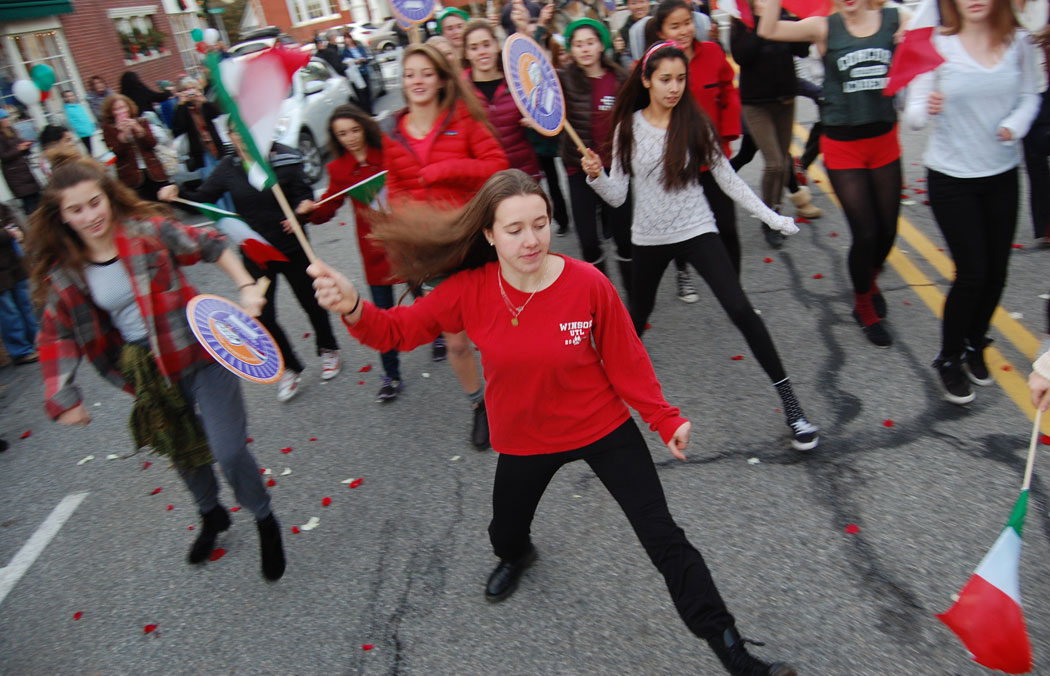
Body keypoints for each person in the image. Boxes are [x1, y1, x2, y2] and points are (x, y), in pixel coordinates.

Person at [309, 169, 798, 676]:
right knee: (504, 532)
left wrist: (663, 417)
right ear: (489, 234)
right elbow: (395, 332)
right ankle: (518, 555)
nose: (531, 240)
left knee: (666, 539)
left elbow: (626, 360)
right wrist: (350, 305)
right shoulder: (467, 291)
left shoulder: (588, 284)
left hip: (602, 428)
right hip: (524, 439)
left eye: (540, 224)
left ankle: (734, 652)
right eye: (515, 229)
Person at [28, 152, 285, 581]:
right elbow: (55, 334)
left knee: (228, 449)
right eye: (76, 209)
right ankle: (211, 514)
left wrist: (244, 286)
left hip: (201, 351)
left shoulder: (147, 233)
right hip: (148, 370)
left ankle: (264, 518)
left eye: (95, 202)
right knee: (182, 450)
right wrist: (63, 397)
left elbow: (212, 245)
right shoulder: (65, 274)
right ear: (62, 217)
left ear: (108, 197)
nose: (89, 215)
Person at [584, 42, 818, 450]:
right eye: (665, 80)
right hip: (650, 236)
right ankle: (599, 399)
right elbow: (618, 195)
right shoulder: (628, 127)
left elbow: (728, 179)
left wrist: (772, 217)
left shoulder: (696, 122)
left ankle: (793, 407)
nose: (674, 87)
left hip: (696, 228)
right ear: (646, 80)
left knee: (741, 308)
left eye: (680, 79)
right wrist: (595, 175)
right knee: (636, 319)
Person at [903, 0, 1040, 405]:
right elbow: (911, 113)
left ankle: (975, 342)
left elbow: (1031, 96)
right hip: (951, 177)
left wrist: (1013, 125)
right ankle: (948, 358)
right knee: (973, 272)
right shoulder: (935, 45)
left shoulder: (1019, 42)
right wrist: (924, 109)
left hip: (1001, 173)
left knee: (997, 271)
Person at [380, 43, 510, 449]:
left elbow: (497, 166)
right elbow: (396, 188)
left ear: (440, 79)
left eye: (425, 73)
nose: (417, 81)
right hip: (431, 253)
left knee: (499, 330)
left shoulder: (464, 120)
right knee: (455, 340)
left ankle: (515, 393)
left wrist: (446, 170)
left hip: (473, 241)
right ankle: (479, 406)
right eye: (409, 74)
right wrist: (409, 220)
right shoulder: (392, 133)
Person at [758, 0, 904, 348]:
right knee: (866, 233)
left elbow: (941, 25)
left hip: (884, 140)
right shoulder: (823, 26)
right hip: (843, 144)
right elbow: (768, 29)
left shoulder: (896, 18)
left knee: (887, 232)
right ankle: (864, 304)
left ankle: (870, 276)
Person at [158, 133, 340, 402]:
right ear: (231, 135)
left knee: (312, 302)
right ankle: (289, 367)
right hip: (256, 250)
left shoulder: (285, 157)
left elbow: (303, 195)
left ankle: (328, 348)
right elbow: (203, 196)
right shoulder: (229, 166)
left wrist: (300, 212)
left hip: (291, 246)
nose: (241, 136)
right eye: (235, 132)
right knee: (261, 315)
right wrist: (177, 193)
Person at [310, 105, 405, 401]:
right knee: (380, 313)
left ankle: (439, 336)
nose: (350, 138)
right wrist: (308, 212)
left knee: (424, 295)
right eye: (342, 134)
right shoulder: (339, 169)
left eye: (354, 130)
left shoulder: (389, 152)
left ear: (365, 127)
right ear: (335, 138)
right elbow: (327, 206)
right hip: (375, 247)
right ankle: (391, 374)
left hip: (410, 238)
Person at [650, 0, 741, 303]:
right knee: (682, 228)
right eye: (674, 26)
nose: (684, 30)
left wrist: (727, 132)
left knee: (726, 226)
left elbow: (729, 90)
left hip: (714, 161)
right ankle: (683, 271)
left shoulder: (713, 52)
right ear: (662, 31)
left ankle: (734, 291)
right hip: (676, 164)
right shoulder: (652, 65)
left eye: (687, 22)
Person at [559, 19, 633, 298]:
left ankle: (633, 292)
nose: (585, 49)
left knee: (625, 238)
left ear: (601, 44)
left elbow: (634, 121)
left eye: (590, 42)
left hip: (616, 170)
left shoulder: (620, 79)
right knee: (589, 241)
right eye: (577, 44)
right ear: (571, 49)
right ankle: (605, 297)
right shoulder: (563, 79)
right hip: (579, 171)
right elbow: (544, 104)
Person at [730, 0, 814, 241]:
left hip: (785, 100)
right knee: (775, 162)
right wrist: (763, 24)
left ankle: (776, 210)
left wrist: (800, 26)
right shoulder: (741, 20)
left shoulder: (784, 14)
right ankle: (770, 219)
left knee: (784, 163)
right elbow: (742, 56)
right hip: (756, 104)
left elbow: (801, 51)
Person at [462, 20, 542, 179]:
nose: (481, 52)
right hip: (486, 180)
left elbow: (547, 125)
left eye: (486, 44)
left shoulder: (518, 81)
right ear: (466, 53)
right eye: (474, 47)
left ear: (497, 45)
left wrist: (536, 123)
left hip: (523, 173)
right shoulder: (460, 91)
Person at [171, 76, 231, 210]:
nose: (190, 92)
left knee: (226, 180)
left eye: (192, 88)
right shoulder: (183, 109)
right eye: (186, 90)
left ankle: (233, 211)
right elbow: (179, 126)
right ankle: (222, 212)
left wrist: (203, 101)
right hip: (201, 152)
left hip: (216, 149)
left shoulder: (204, 105)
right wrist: (182, 103)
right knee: (211, 184)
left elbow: (218, 115)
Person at [100, 94, 170, 202]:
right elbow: (116, 152)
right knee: (145, 206)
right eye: (116, 109)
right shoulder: (108, 129)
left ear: (129, 107)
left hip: (152, 169)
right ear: (111, 112)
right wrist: (123, 135)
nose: (120, 111)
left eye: (123, 107)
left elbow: (152, 143)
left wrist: (138, 129)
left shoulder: (142, 121)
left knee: (164, 200)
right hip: (131, 175)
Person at [0, 204, 37, 364]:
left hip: (14, 264)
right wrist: (9, 233)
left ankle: (37, 341)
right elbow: (8, 231)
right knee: (9, 312)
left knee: (26, 305)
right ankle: (20, 350)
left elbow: (10, 216)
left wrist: (16, 229)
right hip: (2, 272)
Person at [0, 109, 42, 217]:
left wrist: (26, 147)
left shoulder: (12, 132)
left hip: (24, 171)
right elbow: (4, 156)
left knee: (38, 200)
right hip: (15, 175)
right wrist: (19, 149)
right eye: (4, 118)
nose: (7, 119)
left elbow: (20, 148)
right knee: (29, 204)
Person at [341, 33, 374, 115]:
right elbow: (345, 61)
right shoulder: (345, 51)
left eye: (348, 38)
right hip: (355, 73)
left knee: (367, 92)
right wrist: (354, 61)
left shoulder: (359, 47)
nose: (347, 40)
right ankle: (365, 113)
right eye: (346, 39)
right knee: (361, 94)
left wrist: (363, 59)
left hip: (364, 70)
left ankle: (370, 111)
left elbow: (365, 56)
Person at [62, 90, 97, 156]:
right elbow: (70, 122)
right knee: (86, 151)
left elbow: (86, 116)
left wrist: (91, 126)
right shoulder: (67, 110)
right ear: (65, 98)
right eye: (68, 96)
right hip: (80, 133)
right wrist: (77, 131)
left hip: (87, 130)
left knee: (91, 150)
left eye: (71, 96)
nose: (70, 98)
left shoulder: (79, 106)